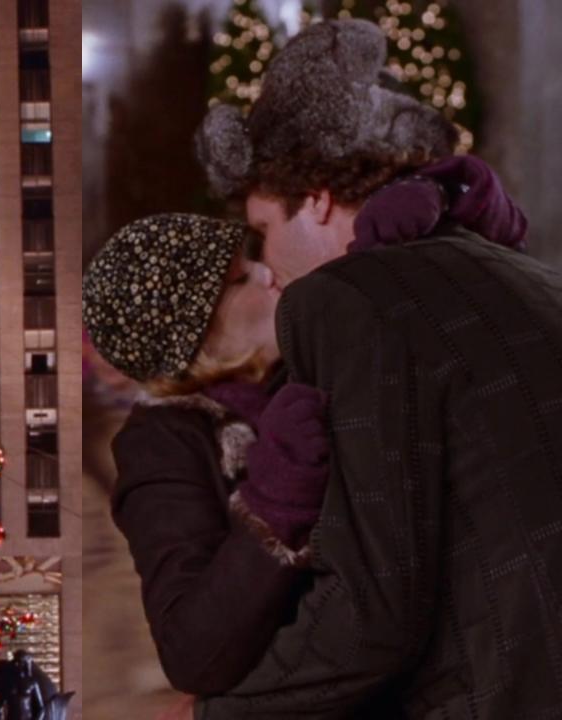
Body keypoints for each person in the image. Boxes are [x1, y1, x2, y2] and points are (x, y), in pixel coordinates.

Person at [184, 18, 561, 719]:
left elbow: (374, 610)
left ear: (318, 197)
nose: (270, 271)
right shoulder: (520, 272)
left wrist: (211, 715)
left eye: (263, 234)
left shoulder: (345, 300)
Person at [83, 165, 525, 703]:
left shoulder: (300, 367)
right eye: (241, 280)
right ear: (194, 339)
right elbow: (192, 652)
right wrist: (271, 505)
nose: (269, 274)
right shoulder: (164, 443)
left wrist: (434, 225)